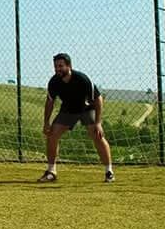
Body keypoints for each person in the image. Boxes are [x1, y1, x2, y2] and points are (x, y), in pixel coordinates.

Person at [40, 53, 113, 183]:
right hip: (68, 110)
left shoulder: (82, 79)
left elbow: (98, 99)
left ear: (69, 66)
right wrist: (46, 122)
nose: (57, 69)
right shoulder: (54, 82)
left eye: (60, 66)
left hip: (86, 109)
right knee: (52, 135)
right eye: (55, 66)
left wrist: (98, 123)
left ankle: (109, 172)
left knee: (97, 135)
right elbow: (50, 102)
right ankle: (51, 172)